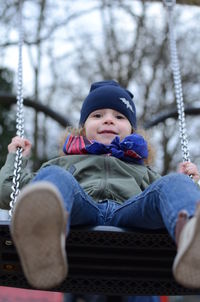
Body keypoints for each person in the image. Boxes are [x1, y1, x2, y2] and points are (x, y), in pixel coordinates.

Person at [0, 80, 200, 293]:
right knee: (54, 178)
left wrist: (192, 184)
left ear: (132, 130)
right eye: (97, 115)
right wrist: (15, 157)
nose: (108, 120)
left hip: (131, 213)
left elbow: (168, 199)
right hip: (80, 210)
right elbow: (7, 191)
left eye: (119, 116)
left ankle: (192, 237)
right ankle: (42, 240)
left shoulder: (144, 171)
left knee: (173, 182)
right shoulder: (63, 163)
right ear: (82, 128)